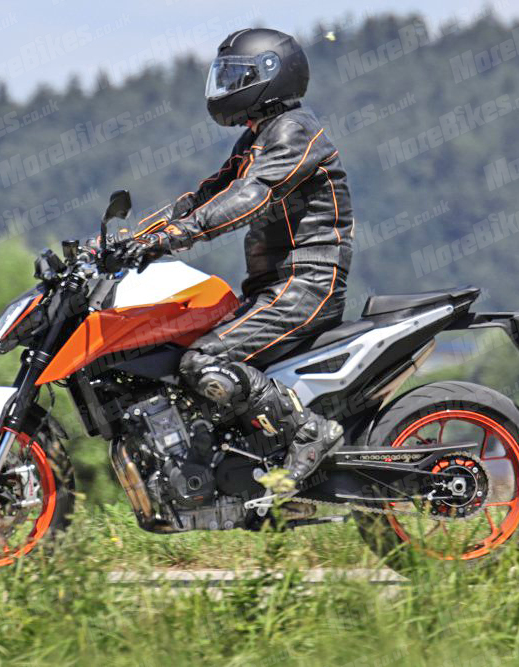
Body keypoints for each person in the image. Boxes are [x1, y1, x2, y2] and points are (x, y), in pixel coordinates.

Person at [111, 28, 354, 488]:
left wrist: (178, 236)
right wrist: (132, 239)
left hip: (305, 285)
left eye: (237, 77)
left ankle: (308, 432)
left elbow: (251, 195)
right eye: (225, 77)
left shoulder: (294, 131)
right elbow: (204, 197)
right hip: (273, 287)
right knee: (179, 353)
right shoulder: (255, 139)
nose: (226, 87)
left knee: (201, 361)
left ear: (271, 76)